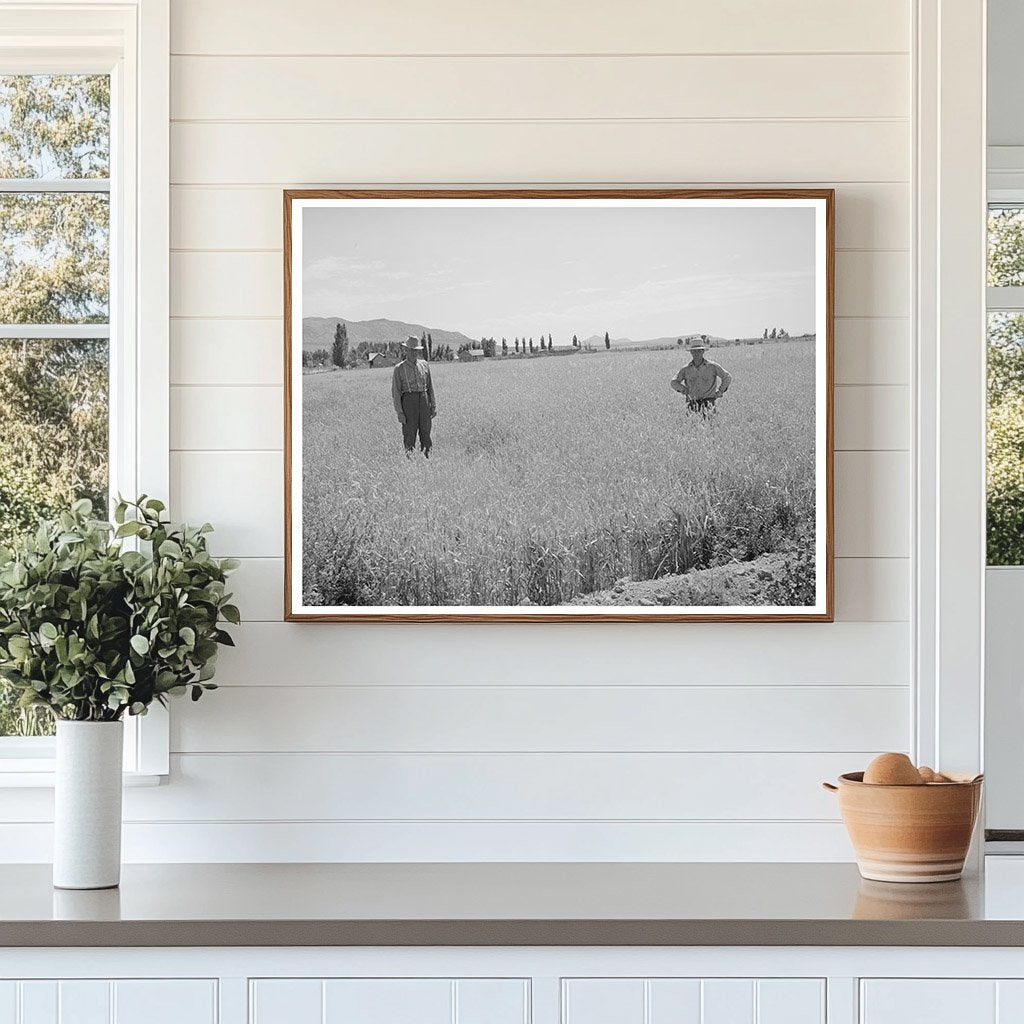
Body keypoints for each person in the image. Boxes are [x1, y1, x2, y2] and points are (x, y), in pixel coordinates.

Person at [392, 335, 437, 456]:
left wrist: (433, 405)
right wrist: (399, 412)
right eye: (411, 350)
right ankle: (410, 463)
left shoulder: (425, 365)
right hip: (408, 402)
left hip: (424, 400)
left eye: (415, 350)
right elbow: (396, 392)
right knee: (409, 434)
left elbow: (430, 387)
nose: (413, 352)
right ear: (405, 350)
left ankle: (428, 459)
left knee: (426, 433)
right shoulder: (399, 368)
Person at [670, 336, 731, 416]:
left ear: (703, 351)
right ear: (691, 352)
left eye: (699, 351)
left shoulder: (712, 366)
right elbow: (673, 382)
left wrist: (719, 392)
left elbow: (727, 377)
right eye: (694, 351)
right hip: (692, 405)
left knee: (710, 426)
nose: (696, 353)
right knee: (693, 426)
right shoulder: (686, 369)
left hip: (709, 404)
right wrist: (684, 390)